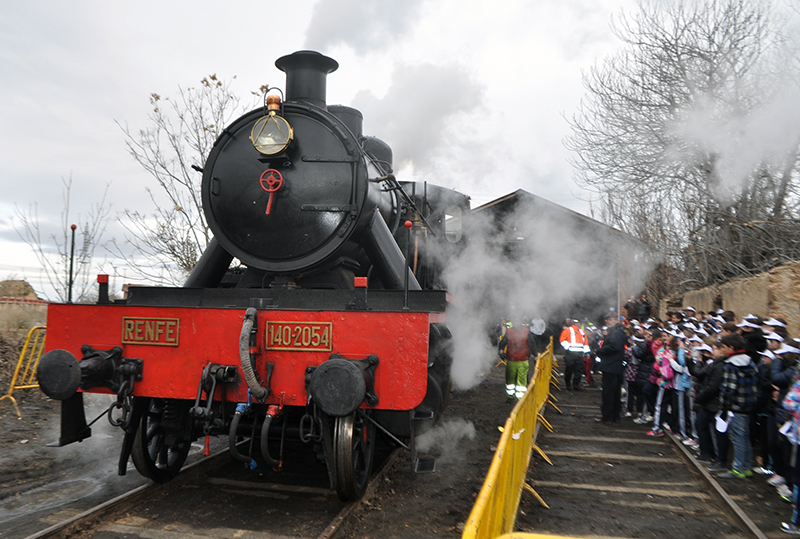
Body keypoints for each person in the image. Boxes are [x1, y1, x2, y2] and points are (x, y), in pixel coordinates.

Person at [717, 333, 759, 479]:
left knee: (737, 437)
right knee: (745, 436)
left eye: (724, 347)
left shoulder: (731, 364)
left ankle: (738, 468)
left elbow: (729, 388)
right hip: (749, 404)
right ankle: (746, 466)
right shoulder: (750, 361)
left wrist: (724, 407)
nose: (722, 350)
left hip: (735, 406)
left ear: (731, 347)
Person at [596, 312, 626, 423]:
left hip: (611, 366)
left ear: (615, 320)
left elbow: (614, 347)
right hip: (614, 366)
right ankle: (613, 415)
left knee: (609, 392)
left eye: (609, 319)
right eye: (607, 319)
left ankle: (608, 416)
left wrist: (600, 351)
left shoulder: (617, 333)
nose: (607, 321)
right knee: (614, 392)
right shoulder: (616, 332)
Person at [498, 318, 536, 402]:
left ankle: (519, 398)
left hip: (521, 359)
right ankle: (512, 397)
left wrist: (535, 355)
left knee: (521, 380)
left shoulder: (525, 332)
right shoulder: (510, 332)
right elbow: (503, 342)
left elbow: (532, 344)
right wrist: (501, 350)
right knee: (510, 379)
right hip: (514, 359)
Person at [560, 318, 589, 391]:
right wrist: (586, 352)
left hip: (575, 354)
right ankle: (573, 385)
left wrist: (586, 352)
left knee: (575, 370)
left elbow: (585, 343)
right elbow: (562, 340)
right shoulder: (569, 330)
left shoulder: (581, 332)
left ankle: (571, 385)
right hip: (572, 354)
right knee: (574, 370)